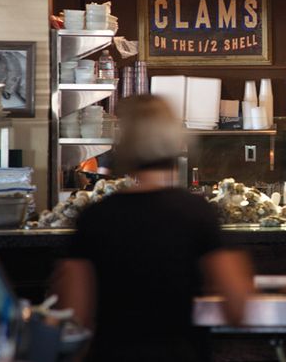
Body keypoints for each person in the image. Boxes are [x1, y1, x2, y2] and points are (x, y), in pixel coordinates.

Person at [53, 95, 252, 361]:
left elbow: (74, 316)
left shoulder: (96, 217)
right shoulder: (196, 213)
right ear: (174, 140)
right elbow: (237, 307)